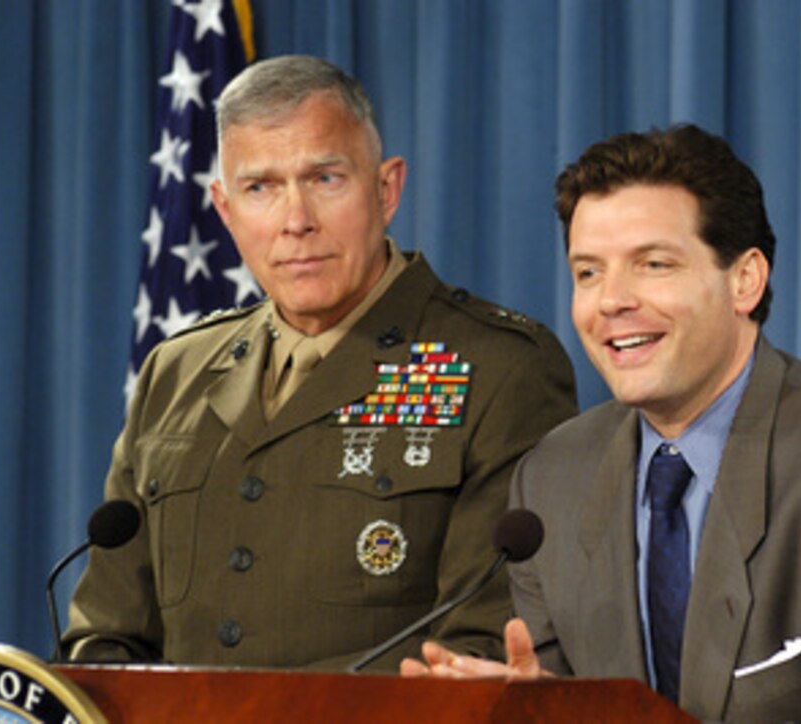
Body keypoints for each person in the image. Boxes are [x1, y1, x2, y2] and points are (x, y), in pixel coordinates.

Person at [401, 125, 801, 722]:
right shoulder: (553, 481)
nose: (611, 301)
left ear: (745, 281)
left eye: (653, 264)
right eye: (588, 273)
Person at [62, 55, 577, 671]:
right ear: (224, 211)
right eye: (261, 188)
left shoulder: (501, 368)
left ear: (386, 190)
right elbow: (104, 644)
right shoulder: (174, 374)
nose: (296, 221)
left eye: (325, 179)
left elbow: (479, 650)